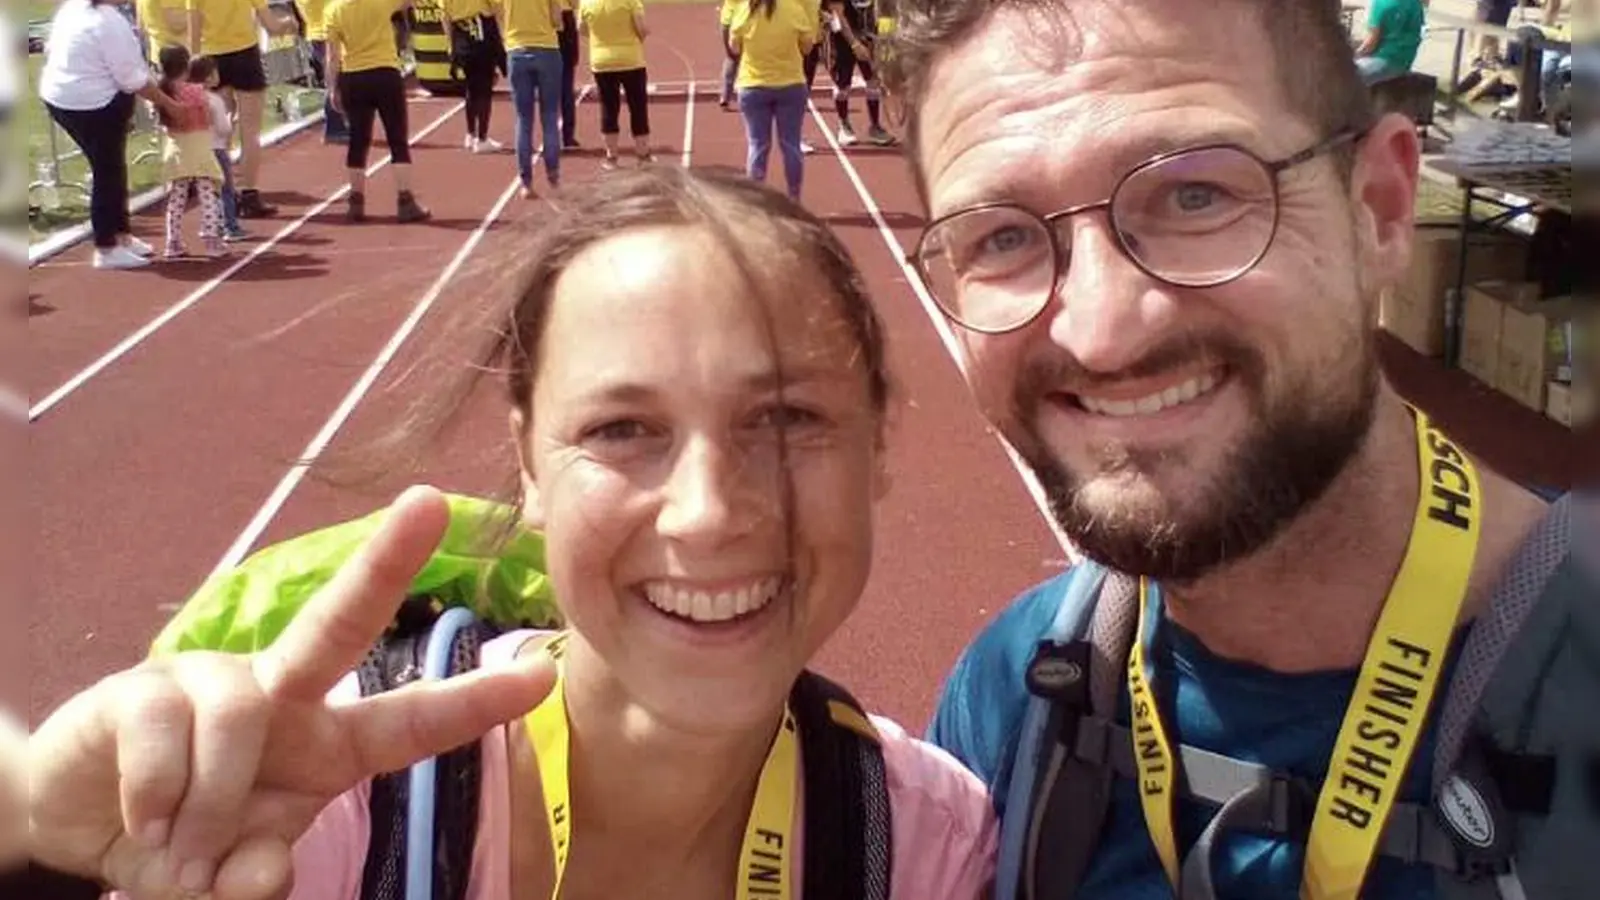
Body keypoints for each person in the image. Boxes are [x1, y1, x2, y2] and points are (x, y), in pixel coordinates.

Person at [26, 165, 999, 900]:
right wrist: (37, 847)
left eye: (785, 420)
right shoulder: (330, 806)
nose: (707, 514)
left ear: (878, 445)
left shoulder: (924, 843)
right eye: (623, 430)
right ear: (529, 467)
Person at [879, 0, 1595, 897]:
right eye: (1004, 237)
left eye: (1194, 193)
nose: (1102, 334)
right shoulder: (1021, 692)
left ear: (1378, 208)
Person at [36, 0, 183, 270]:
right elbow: (132, 80)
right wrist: (171, 105)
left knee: (112, 166)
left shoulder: (74, 8)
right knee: (107, 170)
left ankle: (122, 235)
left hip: (62, 97)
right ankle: (106, 247)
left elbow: (52, 49)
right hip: (91, 104)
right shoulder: (108, 23)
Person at [185, 0, 299, 218]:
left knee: (219, 133)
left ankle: (223, 196)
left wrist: (195, 73)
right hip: (245, 54)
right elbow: (271, 26)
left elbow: (194, 30)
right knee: (250, 131)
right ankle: (249, 195)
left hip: (212, 57)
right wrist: (289, 24)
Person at [325, 0, 432, 223]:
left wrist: (332, 89)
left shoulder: (333, 10)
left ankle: (356, 202)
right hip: (385, 74)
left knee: (358, 140)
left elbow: (332, 57)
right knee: (397, 139)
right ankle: (405, 201)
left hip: (353, 77)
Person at [729, 0, 819, 202]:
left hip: (753, 85)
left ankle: (756, 200)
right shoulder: (794, 9)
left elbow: (734, 48)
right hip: (790, 84)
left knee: (757, 145)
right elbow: (807, 48)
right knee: (791, 144)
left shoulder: (745, 9)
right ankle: (794, 198)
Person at [154, 45, 228, 259]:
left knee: (177, 197)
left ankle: (172, 241)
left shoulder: (162, 91)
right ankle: (212, 239)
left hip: (176, 147)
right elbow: (207, 114)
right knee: (208, 195)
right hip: (199, 146)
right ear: (186, 67)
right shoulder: (196, 91)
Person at [495, 0, 565, 198]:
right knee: (550, 116)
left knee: (523, 119)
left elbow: (498, 14)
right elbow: (557, 19)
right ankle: (554, 178)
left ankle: (526, 184)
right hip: (547, 48)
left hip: (516, 50)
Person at [577, 0, 652, 168]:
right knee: (637, 106)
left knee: (608, 108)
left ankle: (612, 157)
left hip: (602, 61)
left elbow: (582, 29)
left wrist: (601, 38)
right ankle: (643, 155)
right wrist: (644, 33)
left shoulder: (587, 2)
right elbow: (640, 29)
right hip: (631, 60)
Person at [821, 0, 894, 146]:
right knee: (843, 85)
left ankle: (875, 126)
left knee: (873, 80)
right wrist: (855, 44)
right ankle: (844, 124)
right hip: (841, 38)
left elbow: (886, 13)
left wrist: (885, 43)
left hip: (869, 36)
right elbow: (839, 16)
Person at [196, 54, 250, 242]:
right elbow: (223, 129)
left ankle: (208, 224)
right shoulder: (214, 100)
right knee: (226, 189)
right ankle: (230, 226)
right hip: (217, 149)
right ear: (209, 77)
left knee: (206, 190)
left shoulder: (190, 99)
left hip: (199, 150)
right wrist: (231, 121)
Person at [447, 0, 507, 153]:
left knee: (471, 87)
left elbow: (444, 16)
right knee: (484, 89)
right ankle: (482, 138)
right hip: (481, 32)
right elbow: (497, 8)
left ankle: (470, 133)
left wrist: (451, 46)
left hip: (460, 34)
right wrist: (503, 39)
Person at [293, 0, 353, 144]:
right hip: (323, 34)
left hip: (326, 31)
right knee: (336, 79)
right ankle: (335, 127)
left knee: (341, 78)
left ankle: (341, 123)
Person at [1353, 0, 1426, 84]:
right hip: (1405, 61)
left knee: (1345, 75)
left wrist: (1354, 55)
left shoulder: (1381, 3)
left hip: (1383, 60)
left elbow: (1370, 45)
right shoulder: (1415, 3)